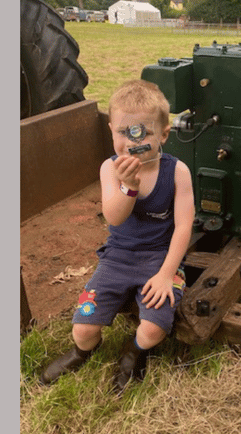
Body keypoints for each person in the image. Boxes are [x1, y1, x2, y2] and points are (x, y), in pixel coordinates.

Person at [39, 79, 195, 393]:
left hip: (160, 259)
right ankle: (81, 353)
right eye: (124, 132)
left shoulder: (177, 172)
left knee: (152, 330)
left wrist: (166, 274)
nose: (131, 141)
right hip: (117, 259)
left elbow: (183, 227)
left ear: (163, 134)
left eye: (144, 132)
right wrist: (129, 186)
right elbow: (114, 215)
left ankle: (134, 351)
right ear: (111, 131)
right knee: (82, 328)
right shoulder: (110, 169)